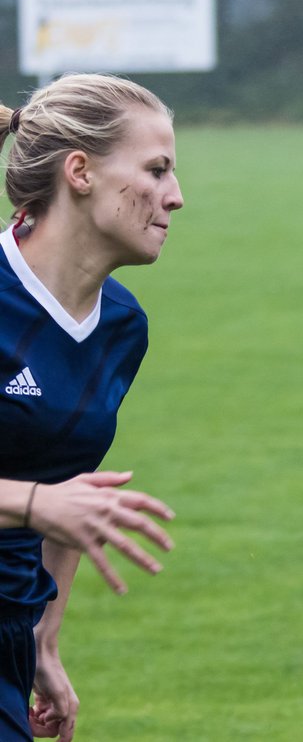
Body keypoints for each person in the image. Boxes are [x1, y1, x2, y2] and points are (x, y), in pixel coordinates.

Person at [0, 74, 182, 739]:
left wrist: (44, 642)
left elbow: (72, 485)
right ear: (79, 172)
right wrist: (34, 504)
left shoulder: (121, 329)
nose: (176, 197)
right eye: (156, 170)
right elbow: (51, 501)